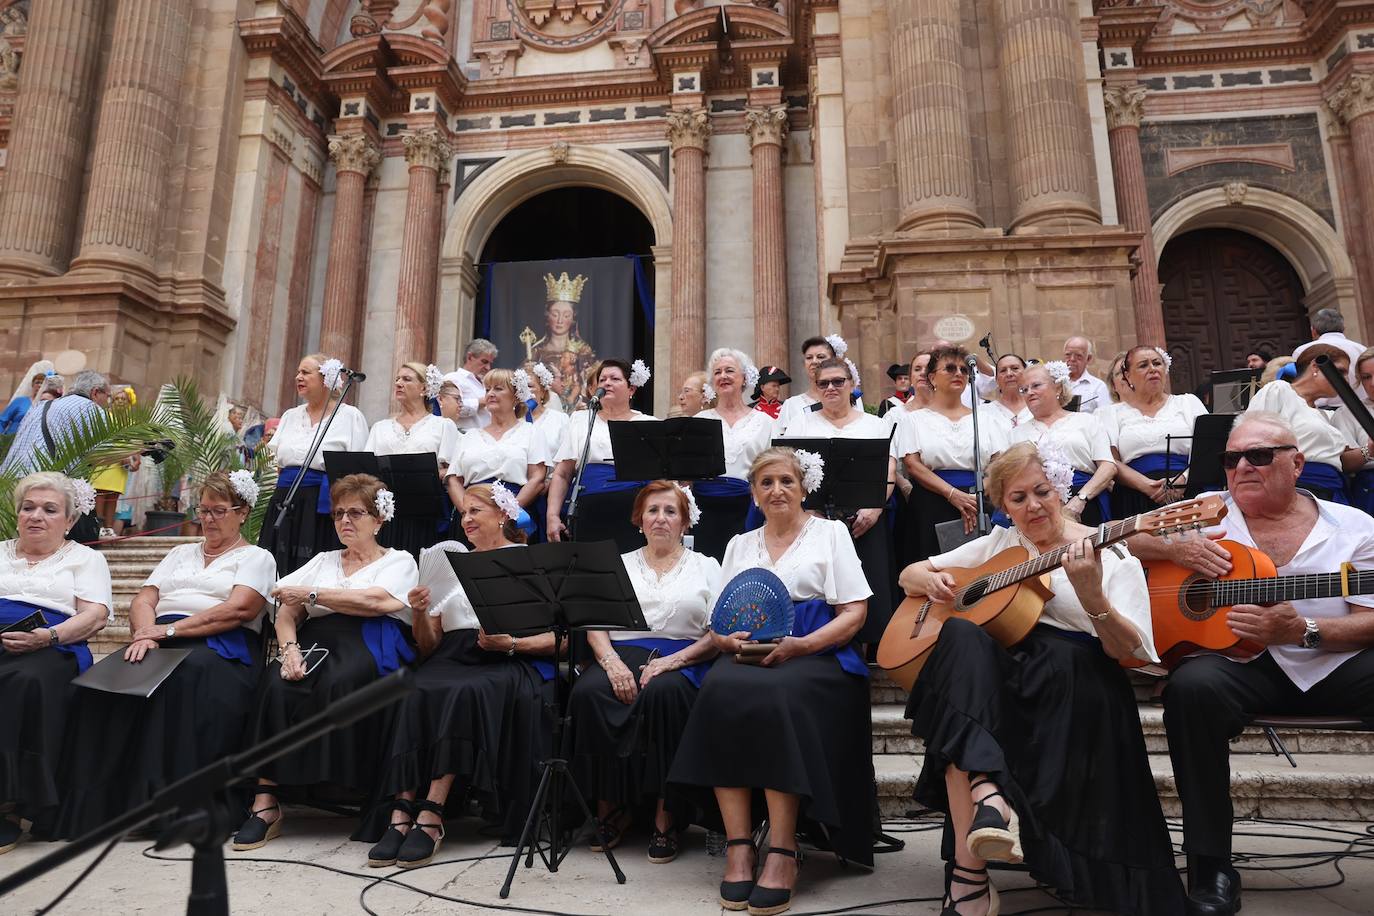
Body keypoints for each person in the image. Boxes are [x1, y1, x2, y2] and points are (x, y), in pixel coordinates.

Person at [898, 442, 1182, 915]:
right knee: (960, 640)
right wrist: (927, 581)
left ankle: (974, 852)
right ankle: (986, 806)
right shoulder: (1000, 545)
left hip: (1077, 675)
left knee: (966, 694)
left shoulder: (1109, 551)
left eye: (1041, 492)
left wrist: (1095, 598)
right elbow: (909, 574)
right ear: (1002, 506)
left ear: (1060, 489)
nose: (1032, 506)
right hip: (1000, 673)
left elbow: (1132, 653)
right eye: (1017, 498)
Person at [1131, 413, 1374, 916]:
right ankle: (1210, 866)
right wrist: (1175, 545)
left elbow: (1370, 619)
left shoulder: (1355, 526)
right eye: (1231, 458)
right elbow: (1119, 541)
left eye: (1259, 456)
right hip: (1243, 665)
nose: (1242, 466)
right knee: (1191, 688)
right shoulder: (1206, 512)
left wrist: (1304, 630)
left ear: (1297, 463)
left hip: (1333, 659)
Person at [670, 447, 876, 914]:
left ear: (803, 487)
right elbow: (718, 620)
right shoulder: (740, 545)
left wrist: (801, 646)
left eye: (786, 481)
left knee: (777, 694)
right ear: (755, 494)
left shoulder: (831, 533)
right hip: (748, 651)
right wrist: (724, 641)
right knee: (719, 690)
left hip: (815, 652)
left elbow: (854, 613)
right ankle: (740, 844)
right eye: (766, 483)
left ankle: (783, 849)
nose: (777, 490)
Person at [52, 471, 276, 838]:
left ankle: (170, 809)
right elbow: (145, 599)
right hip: (158, 638)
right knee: (102, 684)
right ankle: (103, 808)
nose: (208, 519)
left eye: (219, 511)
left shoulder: (256, 557)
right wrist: (145, 633)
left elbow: (239, 610)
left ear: (243, 511)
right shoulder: (178, 552)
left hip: (222, 645)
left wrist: (170, 630)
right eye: (203, 510)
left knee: (183, 678)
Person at [358, 485, 555, 865]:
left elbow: (557, 638)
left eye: (475, 511)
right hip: (450, 654)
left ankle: (432, 813)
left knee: (463, 692)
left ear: (502, 515)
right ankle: (401, 812)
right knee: (411, 688)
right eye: (463, 513)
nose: (466, 520)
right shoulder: (451, 562)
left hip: (504, 659)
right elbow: (428, 645)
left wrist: (512, 644)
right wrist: (418, 612)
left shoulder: (527, 561)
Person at [233, 473, 418, 850]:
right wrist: (289, 651)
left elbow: (377, 602)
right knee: (276, 683)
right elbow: (286, 609)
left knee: (342, 679)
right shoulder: (323, 559)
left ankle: (339, 783)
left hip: (371, 640)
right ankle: (265, 803)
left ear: (379, 519)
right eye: (337, 514)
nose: (344, 521)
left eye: (356, 513)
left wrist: (313, 593)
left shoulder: (398, 560)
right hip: (317, 640)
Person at [569, 482, 722, 862]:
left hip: (684, 656)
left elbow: (719, 631)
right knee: (589, 693)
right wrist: (611, 663)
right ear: (639, 520)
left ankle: (666, 814)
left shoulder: (708, 566)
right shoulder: (617, 563)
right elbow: (595, 624)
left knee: (664, 693)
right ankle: (610, 810)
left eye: (671, 511)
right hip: (620, 653)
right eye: (652, 510)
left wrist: (673, 662)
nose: (660, 519)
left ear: (685, 522)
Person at [0, 473, 112, 851]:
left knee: (24, 683)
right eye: (28, 508)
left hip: (53, 646)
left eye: (50, 510)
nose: (36, 516)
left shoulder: (85, 559)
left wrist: (47, 636)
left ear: (68, 520)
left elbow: (95, 614)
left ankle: (9, 805)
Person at [779, 358, 898, 643]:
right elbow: (788, 471)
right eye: (823, 383)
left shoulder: (876, 425)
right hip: (815, 519)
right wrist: (810, 513)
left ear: (852, 384)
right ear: (816, 388)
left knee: (871, 580)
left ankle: (873, 651)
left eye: (838, 381)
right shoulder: (800, 424)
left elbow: (889, 470)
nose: (831, 387)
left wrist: (874, 509)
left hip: (865, 518)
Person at [897, 345, 1010, 563]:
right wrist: (952, 494)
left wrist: (973, 496)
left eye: (963, 370)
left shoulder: (986, 418)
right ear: (932, 377)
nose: (958, 373)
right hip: (932, 501)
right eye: (949, 368)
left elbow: (1000, 463)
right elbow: (913, 464)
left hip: (980, 500)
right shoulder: (913, 420)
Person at [259, 354, 369, 575]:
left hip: (322, 502)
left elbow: (358, 470)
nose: (298, 377)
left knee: (314, 564)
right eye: (298, 372)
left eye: (305, 372)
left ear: (326, 379)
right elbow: (278, 465)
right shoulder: (290, 416)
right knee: (277, 561)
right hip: (285, 499)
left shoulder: (350, 416)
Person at [546, 359, 654, 550]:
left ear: (632, 389)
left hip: (634, 510)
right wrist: (552, 516)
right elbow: (563, 474)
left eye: (615, 378)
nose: (606, 383)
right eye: (602, 379)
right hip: (589, 509)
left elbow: (658, 477)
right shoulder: (580, 420)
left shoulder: (649, 423)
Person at [1244, 343, 1361, 503]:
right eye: (1340, 371)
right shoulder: (1280, 390)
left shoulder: (1327, 415)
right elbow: (1251, 440)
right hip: (1297, 488)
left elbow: (1341, 461)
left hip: (1333, 492)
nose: (1346, 380)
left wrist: (1369, 450)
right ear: (1316, 366)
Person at [1102, 346, 1209, 519]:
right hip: (1135, 496)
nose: (1152, 369)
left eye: (1157, 363)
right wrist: (1147, 486)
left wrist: (1182, 481)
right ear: (1128, 376)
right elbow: (1110, 461)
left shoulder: (1188, 403)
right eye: (1143, 365)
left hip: (1188, 491)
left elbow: (1208, 448)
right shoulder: (1110, 413)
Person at [365, 362, 459, 555]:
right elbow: (366, 469)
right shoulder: (379, 427)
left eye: (407, 379)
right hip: (385, 511)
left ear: (424, 388)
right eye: (397, 379)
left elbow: (452, 471)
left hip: (425, 512)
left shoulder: (443, 426)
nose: (398, 383)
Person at [443, 368, 547, 541]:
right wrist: (469, 511)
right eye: (487, 389)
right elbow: (453, 479)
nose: (490, 394)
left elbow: (537, 478)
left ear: (515, 396)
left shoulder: (532, 432)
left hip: (515, 515)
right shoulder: (469, 436)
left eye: (498, 388)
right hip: (472, 519)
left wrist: (510, 511)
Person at [1010, 363, 1116, 525]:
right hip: (1036, 509)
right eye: (1024, 389)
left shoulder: (1087, 421)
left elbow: (1108, 466)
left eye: (1036, 385)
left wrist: (1081, 498)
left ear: (1058, 388)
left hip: (1084, 502)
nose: (1029, 392)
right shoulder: (1016, 434)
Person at [694, 349, 774, 560]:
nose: (723, 376)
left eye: (730, 370)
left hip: (747, 508)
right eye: (717, 372)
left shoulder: (764, 422)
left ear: (744, 378)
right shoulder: (700, 420)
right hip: (704, 508)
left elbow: (770, 469)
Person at [0, 369, 111, 475]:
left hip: (10, 475)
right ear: (95, 392)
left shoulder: (40, 405)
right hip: (45, 480)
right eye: (108, 396)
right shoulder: (93, 409)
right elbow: (101, 454)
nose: (108, 402)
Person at [530, 272, 598, 412]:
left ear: (573, 318)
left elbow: (589, 384)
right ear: (547, 316)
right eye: (555, 314)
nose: (560, 321)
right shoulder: (536, 350)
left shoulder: (583, 350)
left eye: (566, 315)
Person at [91, 386, 141, 536]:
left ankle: (108, 527)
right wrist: (120, 454)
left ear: (129, 402)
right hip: (104, 462)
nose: (120, 402)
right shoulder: (105, 417)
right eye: (117, 399)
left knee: (114, 495)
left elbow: (136, 444)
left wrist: (136, 459)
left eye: (123, 399)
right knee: (100, 494)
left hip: (122, 466)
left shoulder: (131, 422)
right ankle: (98, 525)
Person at [1330, 347, 1374, 514]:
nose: (1373, 383)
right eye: (1366, 377)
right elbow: (1344, 462)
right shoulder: (1348, 413)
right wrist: (1368, 450)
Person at [1292, 307, 1365, 401]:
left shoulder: (1302, 350)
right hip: (1358, 408)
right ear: (1343, 328)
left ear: (1313, 331)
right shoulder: (1361, 349)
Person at [775, 336, 837, 431]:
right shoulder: (791, 405)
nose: (814, 361)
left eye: (820, 357)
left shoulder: (849, 400)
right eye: (809, 357)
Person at [446, 339, 499, 432]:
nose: (488, 368)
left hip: (489, 438)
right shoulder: (453, 378)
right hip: (464, 438)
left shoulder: (486, 383)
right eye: (484, 361)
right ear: (470, 357)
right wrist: (480, 402)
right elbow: (448, 409)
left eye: (490, 363)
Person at [1061, 336, 1111, 414]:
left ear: (1088, 358)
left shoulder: (1098, 387)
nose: (1072, 359)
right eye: (1068, 355)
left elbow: (1105, 418)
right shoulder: (1054, 384)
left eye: (1078, 356)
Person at [0, 361, 52, 435]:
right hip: (11, 440)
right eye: (37, 382)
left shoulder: (47, 405)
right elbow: (2, 420)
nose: (39, 385)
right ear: (32, 385)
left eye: (42, 383)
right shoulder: (20, 401)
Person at [982, 353, 1031, 429]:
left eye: (1015, 368)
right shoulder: (984, 412)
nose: (1009, 374)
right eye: (1003, 370)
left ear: (1026, 373)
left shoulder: (1039, 407)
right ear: (996, 379)